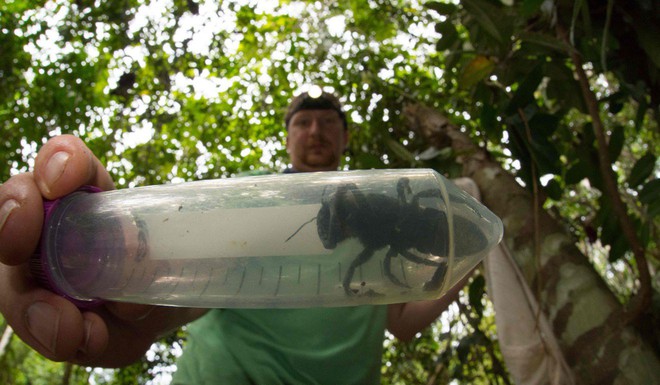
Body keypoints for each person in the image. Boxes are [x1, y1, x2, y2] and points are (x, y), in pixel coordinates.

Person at [0, 91, 470, 384]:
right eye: (303, 122)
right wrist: (133, 296)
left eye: (328, 122)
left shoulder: (380, 197)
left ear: (345, 138)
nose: (315, 131)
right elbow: (193, 279)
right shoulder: (252, 194)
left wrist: (469, 255)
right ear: (287, 138)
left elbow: (403, 321)